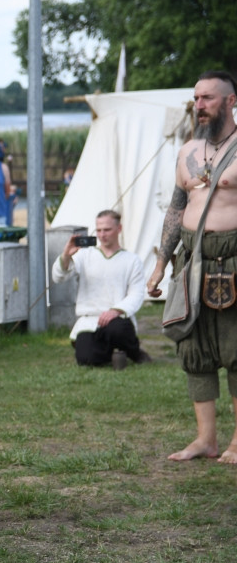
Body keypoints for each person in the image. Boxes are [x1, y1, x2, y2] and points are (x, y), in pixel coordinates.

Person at [147, 70, 237, 464]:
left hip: (233, 256)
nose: (198, 105)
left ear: (230, 102)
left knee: (236, 350)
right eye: (196, 98)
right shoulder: (187, 151)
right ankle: (206, 440)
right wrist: (160, 264)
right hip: (192, 259)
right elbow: (177, 208)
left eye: (208, 98)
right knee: (195, 349)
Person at [52, 210, 152, 369]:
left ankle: (134, 352)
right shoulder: (84, 255)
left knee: (118, 329)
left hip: (118, 320)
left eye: (107, 230)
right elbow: (59, 277)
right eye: (98, 230)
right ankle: (115, 353)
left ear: (119, 229)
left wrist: (115, 311)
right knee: (85, 359)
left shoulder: (132, 260)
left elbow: (137, 294)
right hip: (90, 320)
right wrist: (65, 256)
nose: (102, 234)